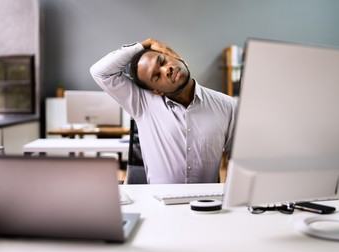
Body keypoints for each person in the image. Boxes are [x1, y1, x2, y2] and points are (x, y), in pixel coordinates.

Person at [90, 38, 237, 184]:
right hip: (158, 204)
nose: (167, 69)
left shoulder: (227, 105)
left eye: (163, 61)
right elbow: (100, 72)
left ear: (171, 55)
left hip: (207, 204)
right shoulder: (142, 103)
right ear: (156, 91)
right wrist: (144, 44)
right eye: (157, 75)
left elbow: (238, 161)